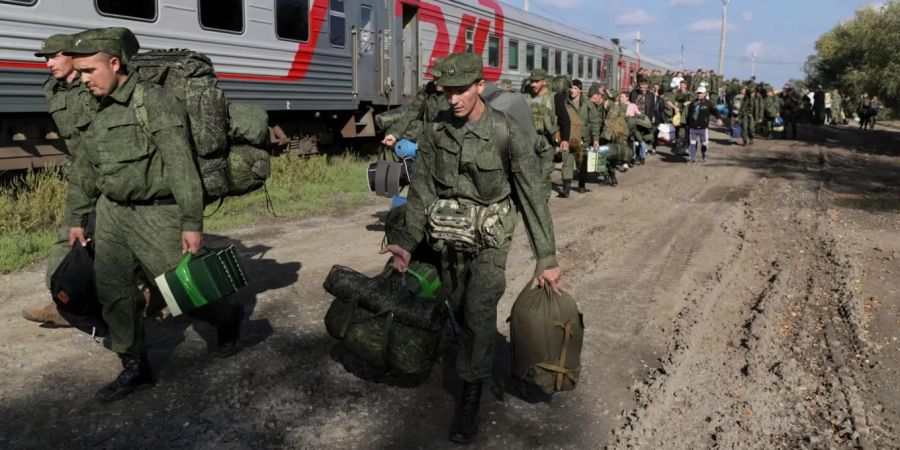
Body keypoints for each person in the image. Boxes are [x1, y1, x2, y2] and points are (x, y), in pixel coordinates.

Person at [380, 52, 561, 445]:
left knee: (479, 309)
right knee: (458, 305)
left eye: (461, 90)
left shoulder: (507, 132)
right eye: (447, 92)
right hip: (447, 234)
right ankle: (472, 351)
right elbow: (422, 190)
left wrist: (546, 258)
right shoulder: (435, 132)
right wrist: (407, 243)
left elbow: (532, 196)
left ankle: (470, 399)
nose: (454, 99)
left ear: (480, 85)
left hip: (490, 239)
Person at [63, 27, 243, 403]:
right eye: (79, 72)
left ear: (114, 63)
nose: (83, 79)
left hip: (158, 214)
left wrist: (192, 222)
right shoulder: (92, 107)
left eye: (89, 70)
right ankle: (135, 366)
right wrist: (76, 217)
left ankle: (227, 317)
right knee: (115, 295)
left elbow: (180, 164)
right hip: (111, 214)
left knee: (188, 289)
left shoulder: (152, 100)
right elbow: (83, 167)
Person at [21, 33, 96, 328]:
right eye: (45, 58)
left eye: (54, 56)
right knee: (67, 238)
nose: (49, 63)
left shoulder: (93, 86)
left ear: (73, 56)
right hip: (84, 174)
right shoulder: (54, 89)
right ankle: (63, 304)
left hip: (110, 174)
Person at [525, 68, 568, 196]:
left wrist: (564, 140)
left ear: (544, 82)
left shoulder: (555, 98)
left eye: (536, 82)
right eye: (531, 82)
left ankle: (543, 201)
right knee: (530, 175)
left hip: (547, 142)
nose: (533, 84)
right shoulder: (526, 96)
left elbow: (564, 120)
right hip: (529, 141)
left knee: (544, 174)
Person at [685, 86, 723, 164]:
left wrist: (719, 118)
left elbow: (715, 111)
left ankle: (704, 154)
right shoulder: (693, 102)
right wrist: (687, 124)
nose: (699, 94)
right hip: (693, 128)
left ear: (705, 94)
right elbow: (689, 114)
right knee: (692, 143)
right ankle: (693, 159)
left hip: (703, 128)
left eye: (700, 93)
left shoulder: (709, 103)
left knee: (704, 144)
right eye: (698, 93)